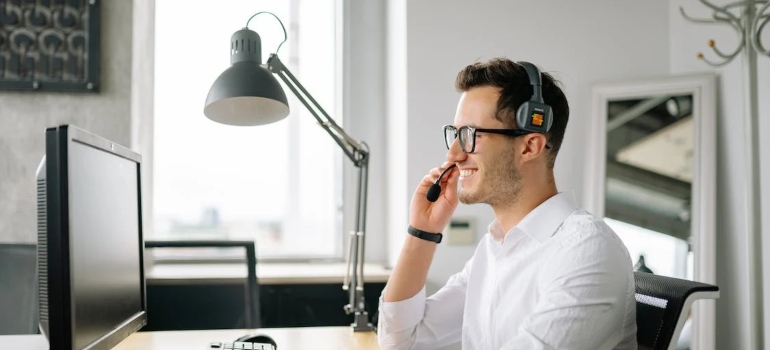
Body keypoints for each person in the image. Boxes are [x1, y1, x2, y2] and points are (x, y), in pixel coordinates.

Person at [376, 58, 637, 350]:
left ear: (530, 146)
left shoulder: (585, 249)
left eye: (470, 135)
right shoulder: (495, 249)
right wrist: (422, 231)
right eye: (456, 133)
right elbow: (400, 342)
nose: (453, 155)